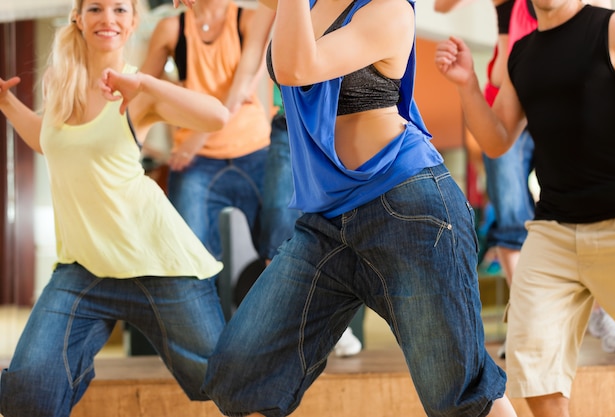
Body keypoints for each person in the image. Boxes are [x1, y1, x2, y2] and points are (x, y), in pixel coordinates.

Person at [173, 0, 520, 416]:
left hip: (407, 208)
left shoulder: (390, 10)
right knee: (241, 374)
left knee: (461, 398)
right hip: (326, 222)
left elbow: (296, 67)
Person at [0, 0, 230, 416]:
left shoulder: (138, 92)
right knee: (28, 389)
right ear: (78, 18)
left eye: (120, 9)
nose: (108, 18)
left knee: (225, 385)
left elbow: (217, 117)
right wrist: (6, 104)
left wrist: (146, 85)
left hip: (158, 266)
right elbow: (50, 140)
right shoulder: (60, 85)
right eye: (96, 8)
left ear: (133, 22)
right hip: (84, 268)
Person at [436, 1, 615, 415]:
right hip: (554, 231)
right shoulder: (523, 54)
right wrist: (468, 85)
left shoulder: (611, 27)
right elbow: (499, 139)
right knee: (533, 361)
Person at [140, 0, 275, 262]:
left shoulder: (248, 19)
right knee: (190, 260)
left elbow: (243, 89)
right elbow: (143, 85)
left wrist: (196, 137)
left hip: (254, 150)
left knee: (280, 252)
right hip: (196, 162)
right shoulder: (171, 29)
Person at [258, 83, 362, 357]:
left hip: (338, 120)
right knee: (278, 222)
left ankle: (332, 323)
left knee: (336, 225)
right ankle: (285, 326)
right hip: (290, 123)